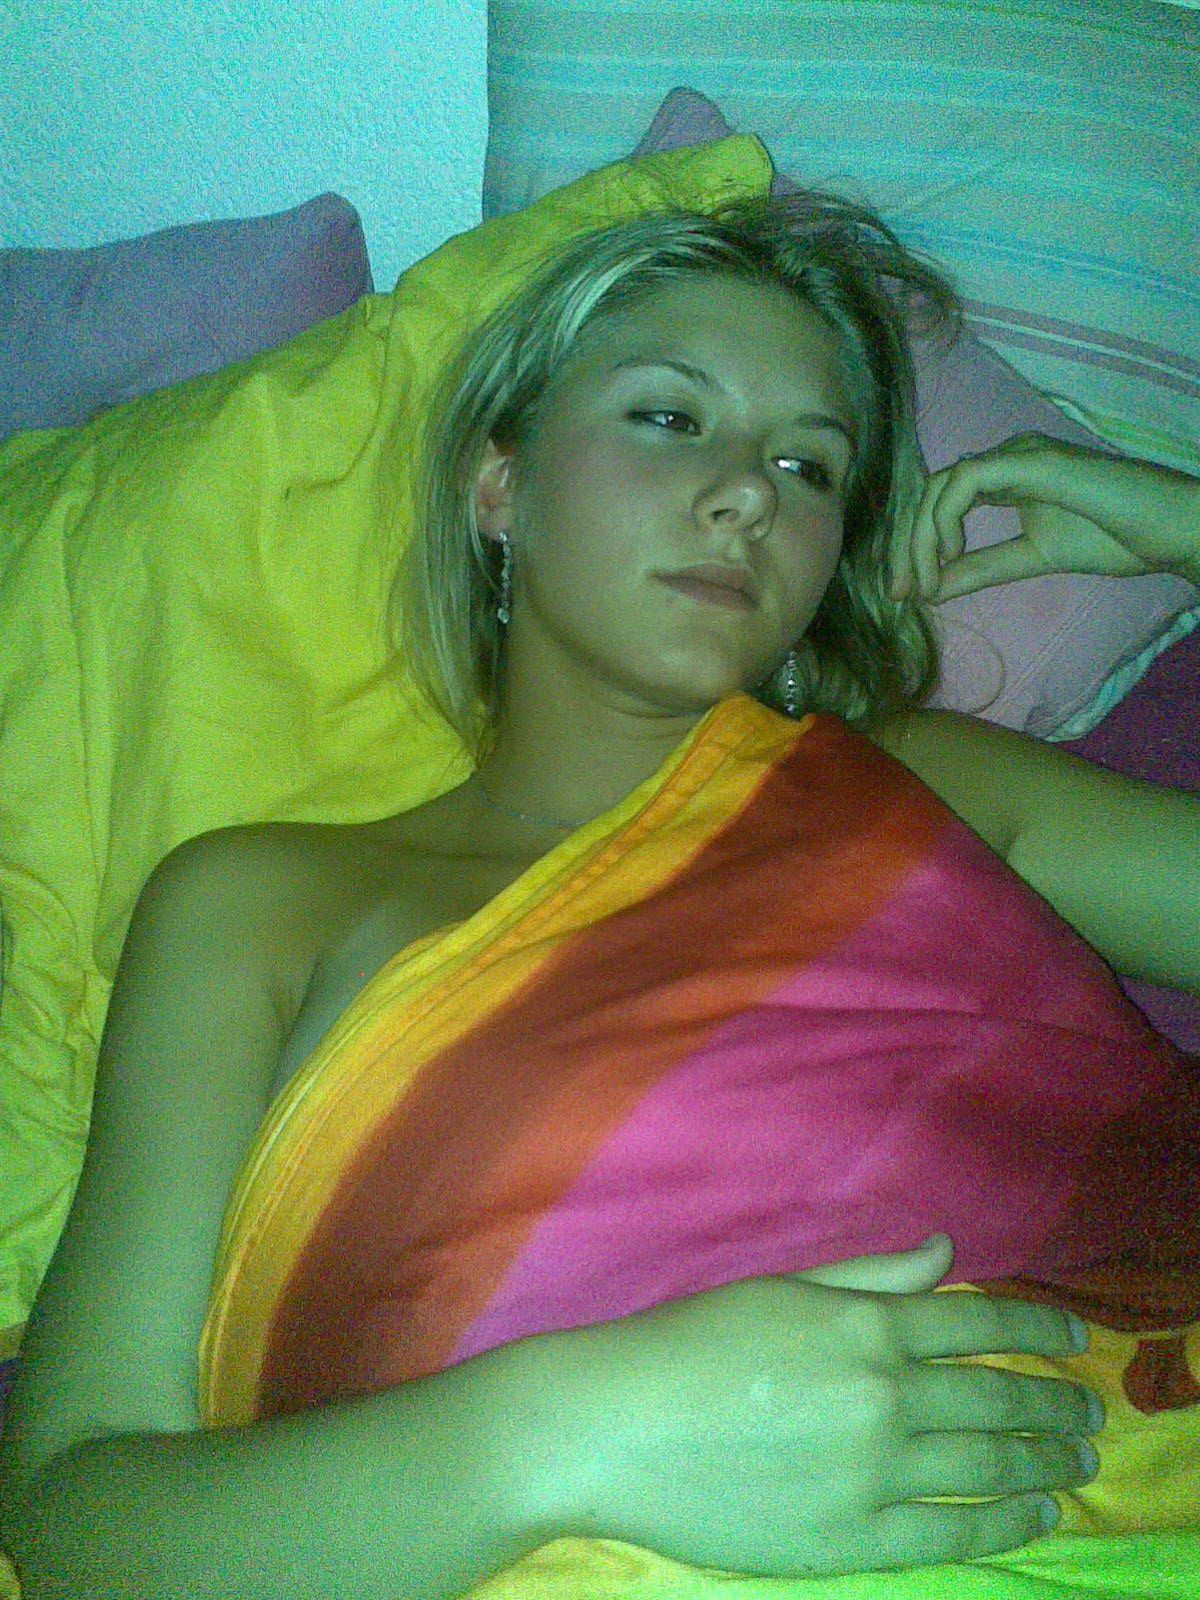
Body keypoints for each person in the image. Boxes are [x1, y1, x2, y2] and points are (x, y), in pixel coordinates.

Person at [3, 189, 1198, 1600]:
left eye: (809, 465)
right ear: (498, 485)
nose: (751, 493)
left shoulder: (924, 790)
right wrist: (573, 1430)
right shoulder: (260, 907)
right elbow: (73, 1509)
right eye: (671, 418)